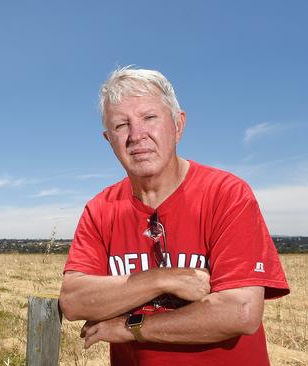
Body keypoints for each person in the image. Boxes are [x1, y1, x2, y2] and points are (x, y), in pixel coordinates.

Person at [59, 66, 290, 365]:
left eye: (149, 118)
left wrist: (132, 328)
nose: (136, 135)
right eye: (121, 125)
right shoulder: (100, 208)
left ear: (178, 125)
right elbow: (75, 301)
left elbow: (240, 312)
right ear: (108, 140)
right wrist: (163, 279)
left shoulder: (226, 194)